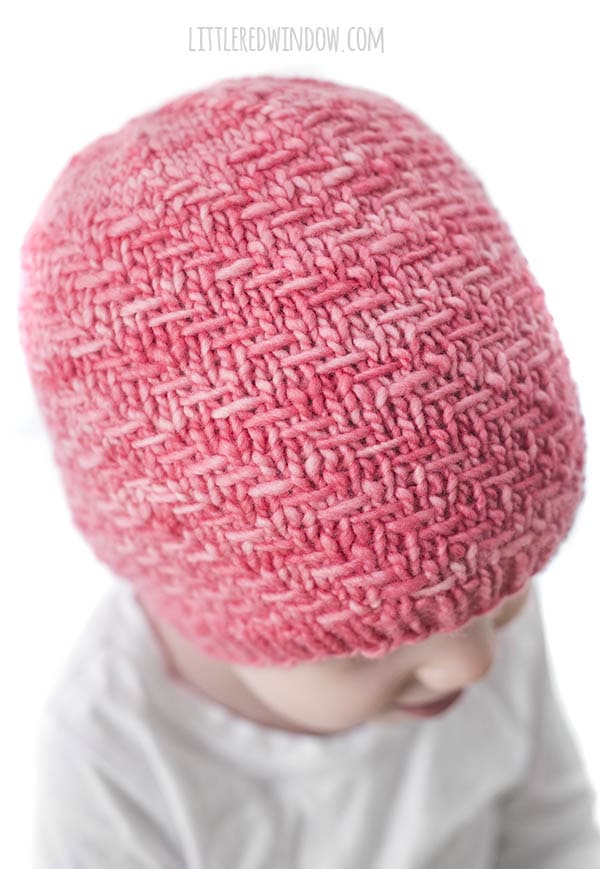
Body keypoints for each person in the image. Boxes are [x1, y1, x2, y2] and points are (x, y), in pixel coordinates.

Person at [20, 74, 600, 868]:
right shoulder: (115, 758)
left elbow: (554, 829)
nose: (472, 661)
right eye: (370, 643)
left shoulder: (470, 598)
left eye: (510, 586)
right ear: (194, 579)